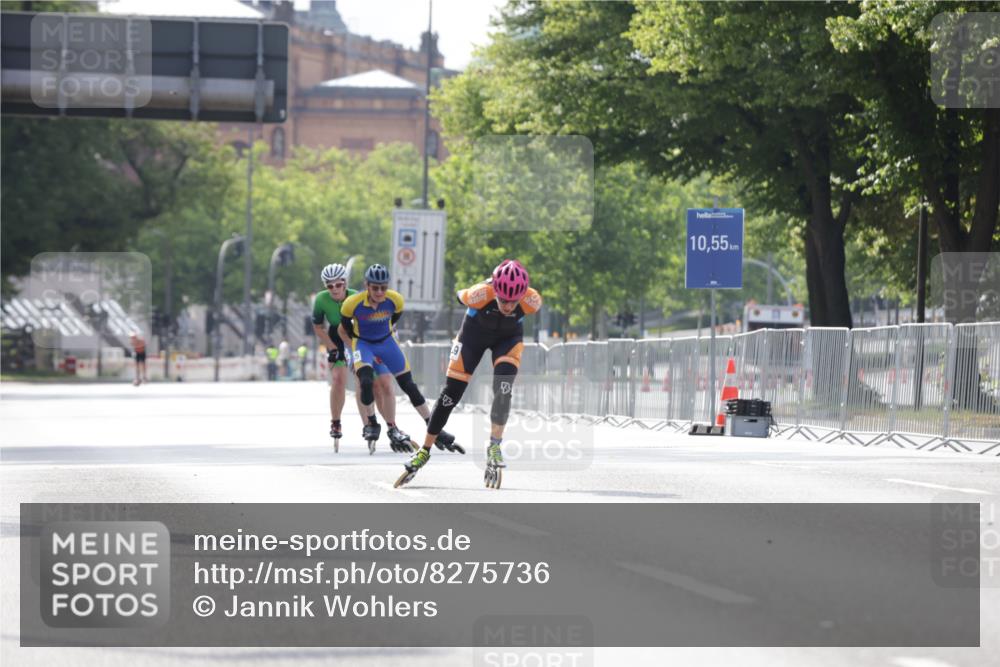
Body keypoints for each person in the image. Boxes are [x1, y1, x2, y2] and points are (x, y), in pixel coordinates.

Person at [395, 259, 541, 489]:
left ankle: (494, 445)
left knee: (503, 389)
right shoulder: (479, 294)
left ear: (522, 295)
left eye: (513, 301)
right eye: (502, 299)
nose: (507, 306)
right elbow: (459, 294)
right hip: (473, 337)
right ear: (495, 290)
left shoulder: (532, 300)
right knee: (450, 395)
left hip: (508, 339)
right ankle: (424, 451)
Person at [339, 264, 460, 455]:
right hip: (363, 344)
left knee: (409, 386)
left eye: (383, 287)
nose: (379, 292)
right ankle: (371, 423)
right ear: (366, 285)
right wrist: (352, 352)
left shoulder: (395, 300)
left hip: (387, 342)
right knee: (366, 380)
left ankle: (433, 427)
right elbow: (345, 327)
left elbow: (393, 319)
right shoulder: (352, 304)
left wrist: (381, 337)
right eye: (375, 287)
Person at [311, 263, 396, 450]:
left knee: (363, 381)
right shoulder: (321, 300)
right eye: (330, 286)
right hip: (335, 338)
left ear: (345, 283)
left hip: (355, 338)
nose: (334, 289)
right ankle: (335, 421)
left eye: (338, 285)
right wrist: (332, 347)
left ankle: (369, 424)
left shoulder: (357, 297)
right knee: (338, 380)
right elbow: (318, 327)